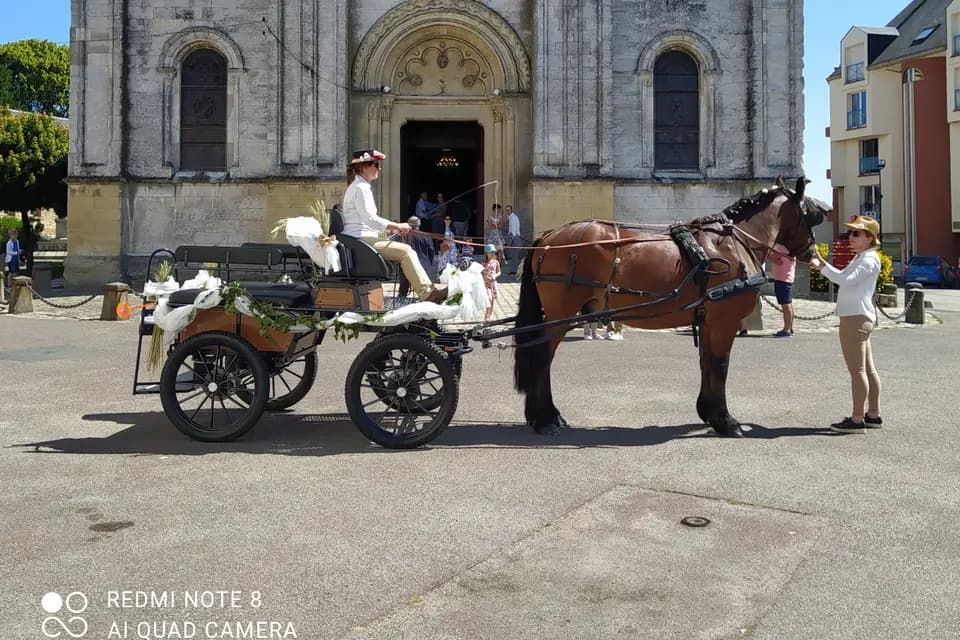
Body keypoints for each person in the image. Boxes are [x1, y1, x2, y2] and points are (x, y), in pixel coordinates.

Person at [808, 215, 883, 433]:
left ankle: (858, 419)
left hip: (855, 317)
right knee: (867, 370)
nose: (851, 236)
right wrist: (822, 263)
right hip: (859, 316)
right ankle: (873, 414)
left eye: (857, 233)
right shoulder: (864, 257)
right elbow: (845, 278)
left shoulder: (868, 259)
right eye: (850, 233)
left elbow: (845, 280)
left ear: (869, 238)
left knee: (858, 370)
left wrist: (822, 266)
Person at [341, 149, 446, 303]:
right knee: (406, 252)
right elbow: (370, 219)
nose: (379, 168)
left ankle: (428, 291)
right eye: (375, 165)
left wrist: (391, 228)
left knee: (404, 249)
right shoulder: (361, 188)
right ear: (363, 167)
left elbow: (366, 221)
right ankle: (427, 293)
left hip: (361, 237)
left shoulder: (358, 186)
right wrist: (397, 226)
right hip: (360, 239)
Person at [396, 216, 436, 299]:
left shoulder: (404, 236)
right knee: (426, 288)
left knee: (404, 286)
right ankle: (425, 300)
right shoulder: (426, 236)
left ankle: (401, 300)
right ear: (419, 224)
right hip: (424, 265)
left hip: (408, 264)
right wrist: (429, 263)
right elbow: (432, 251)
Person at [771, 243, 796, 337]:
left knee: (785, 304)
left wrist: (771, 253)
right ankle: (790, 327)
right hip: (786, 278)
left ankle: (786, 329)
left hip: (782, 278)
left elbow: (775, 259)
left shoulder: (784, 247)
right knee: (788, 303)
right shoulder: (791, 247)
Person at [482, 243, 501, 321]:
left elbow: (499, 272)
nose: (492, 254)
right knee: (488, 299)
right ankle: (486, 315)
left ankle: (490, 315)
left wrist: (494, 276)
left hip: (493, 283)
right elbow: (480, 273)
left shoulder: (496, 262)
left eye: (493, 252)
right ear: (486, 253)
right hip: (486, 284)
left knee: (492, 300)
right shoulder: (483, 263)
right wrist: (484, 277)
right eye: (490, 252)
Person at [5, 228, 23, 294]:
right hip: (11, 259)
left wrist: (19, 252)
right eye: (13, 235)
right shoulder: (9, 243)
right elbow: (8, 252)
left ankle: (14, 284)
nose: (15, 236)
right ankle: (9, 286)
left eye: (15, 235)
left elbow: (17, 249)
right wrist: (16, 253)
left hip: (16, 258)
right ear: (10, 235)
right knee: (11, 272)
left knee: (16, 272)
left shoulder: (17, 241)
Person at [505, 205, 522, 273]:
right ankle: (513, 270)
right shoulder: (510, 217)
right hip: (512, 237)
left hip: (515, 238)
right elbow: (510, 228)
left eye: (508, 210)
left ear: (511, 210)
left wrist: (511, 239)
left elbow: (514, 230)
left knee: (515, 255)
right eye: (506, 210)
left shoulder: (514, 218)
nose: (507, 211)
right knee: (513, 255)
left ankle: (515, 271)